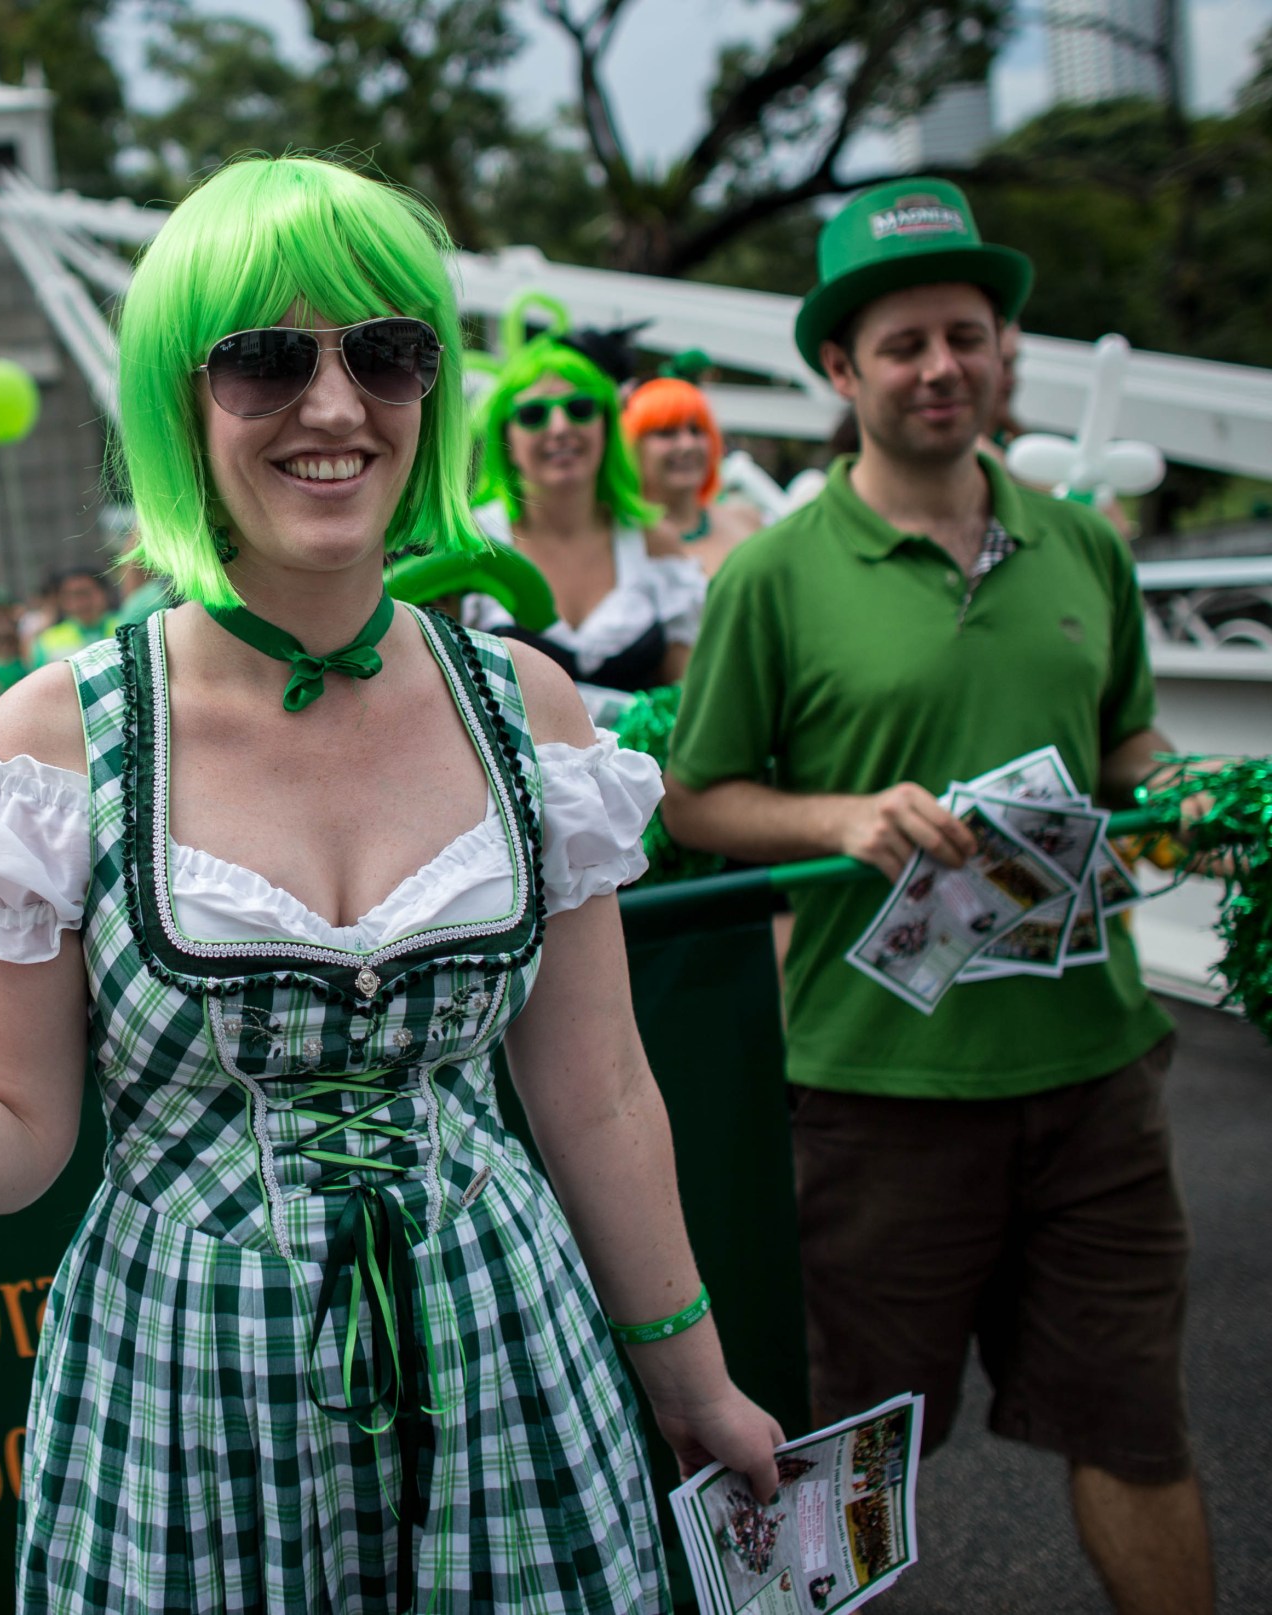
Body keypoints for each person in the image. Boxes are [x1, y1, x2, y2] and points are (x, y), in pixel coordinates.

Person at [0, 154, 779, 1611]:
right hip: (189, 1404)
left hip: (511, 1357)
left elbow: (598, 1092)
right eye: (262, 358)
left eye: (386, 351)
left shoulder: (534, 711)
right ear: (181, 401)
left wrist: (692, 1378)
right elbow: (6, 1124)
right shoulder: (53, 738)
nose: (331, 404)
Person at [662, 178, 1214, 1615]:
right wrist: (839, 814)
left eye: (966, 335)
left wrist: (1185, 792)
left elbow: (1130, 745)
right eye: (902, 344)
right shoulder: (774, 576)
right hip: (872, 1095)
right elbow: (696, 792)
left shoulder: (1084, 544)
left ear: (1003, 350)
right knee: (836, 1461)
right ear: (840, 372)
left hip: (1095, 1072)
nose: (940, 368)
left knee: (1139, 1428)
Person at [468, 343, 706, 706]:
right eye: (533, 414)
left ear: (607, 426)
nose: (560, 427)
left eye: (579, 409)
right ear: (506, 439)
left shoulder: (654, 543)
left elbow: (688, 701)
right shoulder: (474, 542)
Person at [624, 377, 762, 577]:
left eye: (696, 431)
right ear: (632, 447)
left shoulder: (747, 521)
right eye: (666, 433)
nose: (687, 445)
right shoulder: (619, 539)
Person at [27, 567, 114, 665]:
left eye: (85, 593)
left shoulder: (126, 625)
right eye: (71, 596)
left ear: (104, 593)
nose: (80, 603)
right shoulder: (47, 640)